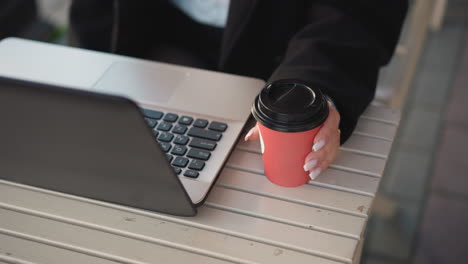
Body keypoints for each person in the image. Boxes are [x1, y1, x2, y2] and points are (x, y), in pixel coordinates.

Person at [70, 0, 408, 180]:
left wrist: (316, 89)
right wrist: (89, 66)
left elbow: (357, 12)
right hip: (150, 34)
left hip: (288, 46)